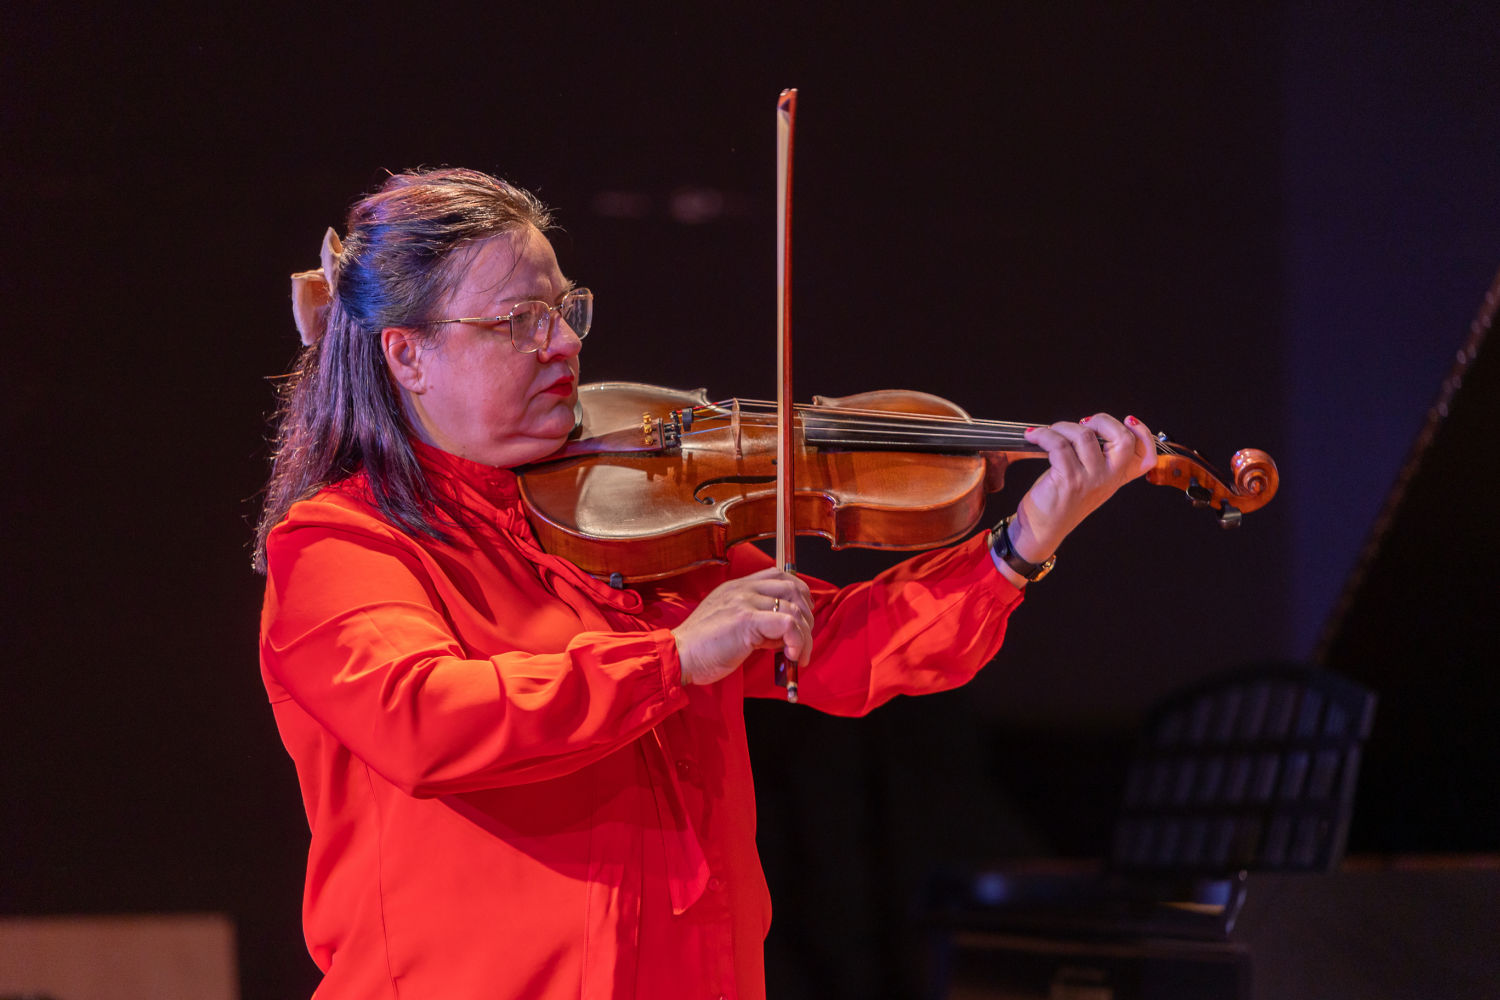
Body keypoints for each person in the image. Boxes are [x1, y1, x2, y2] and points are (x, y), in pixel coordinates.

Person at [254, 167, 1156, 1000]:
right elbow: (423, 717)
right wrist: (672, 659)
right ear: (407, 355)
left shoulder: (628, 522)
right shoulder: (342, 543)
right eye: (518, 320)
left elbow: (840, 647)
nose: (563, 343)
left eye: (565, 309)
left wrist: (1021, 545)